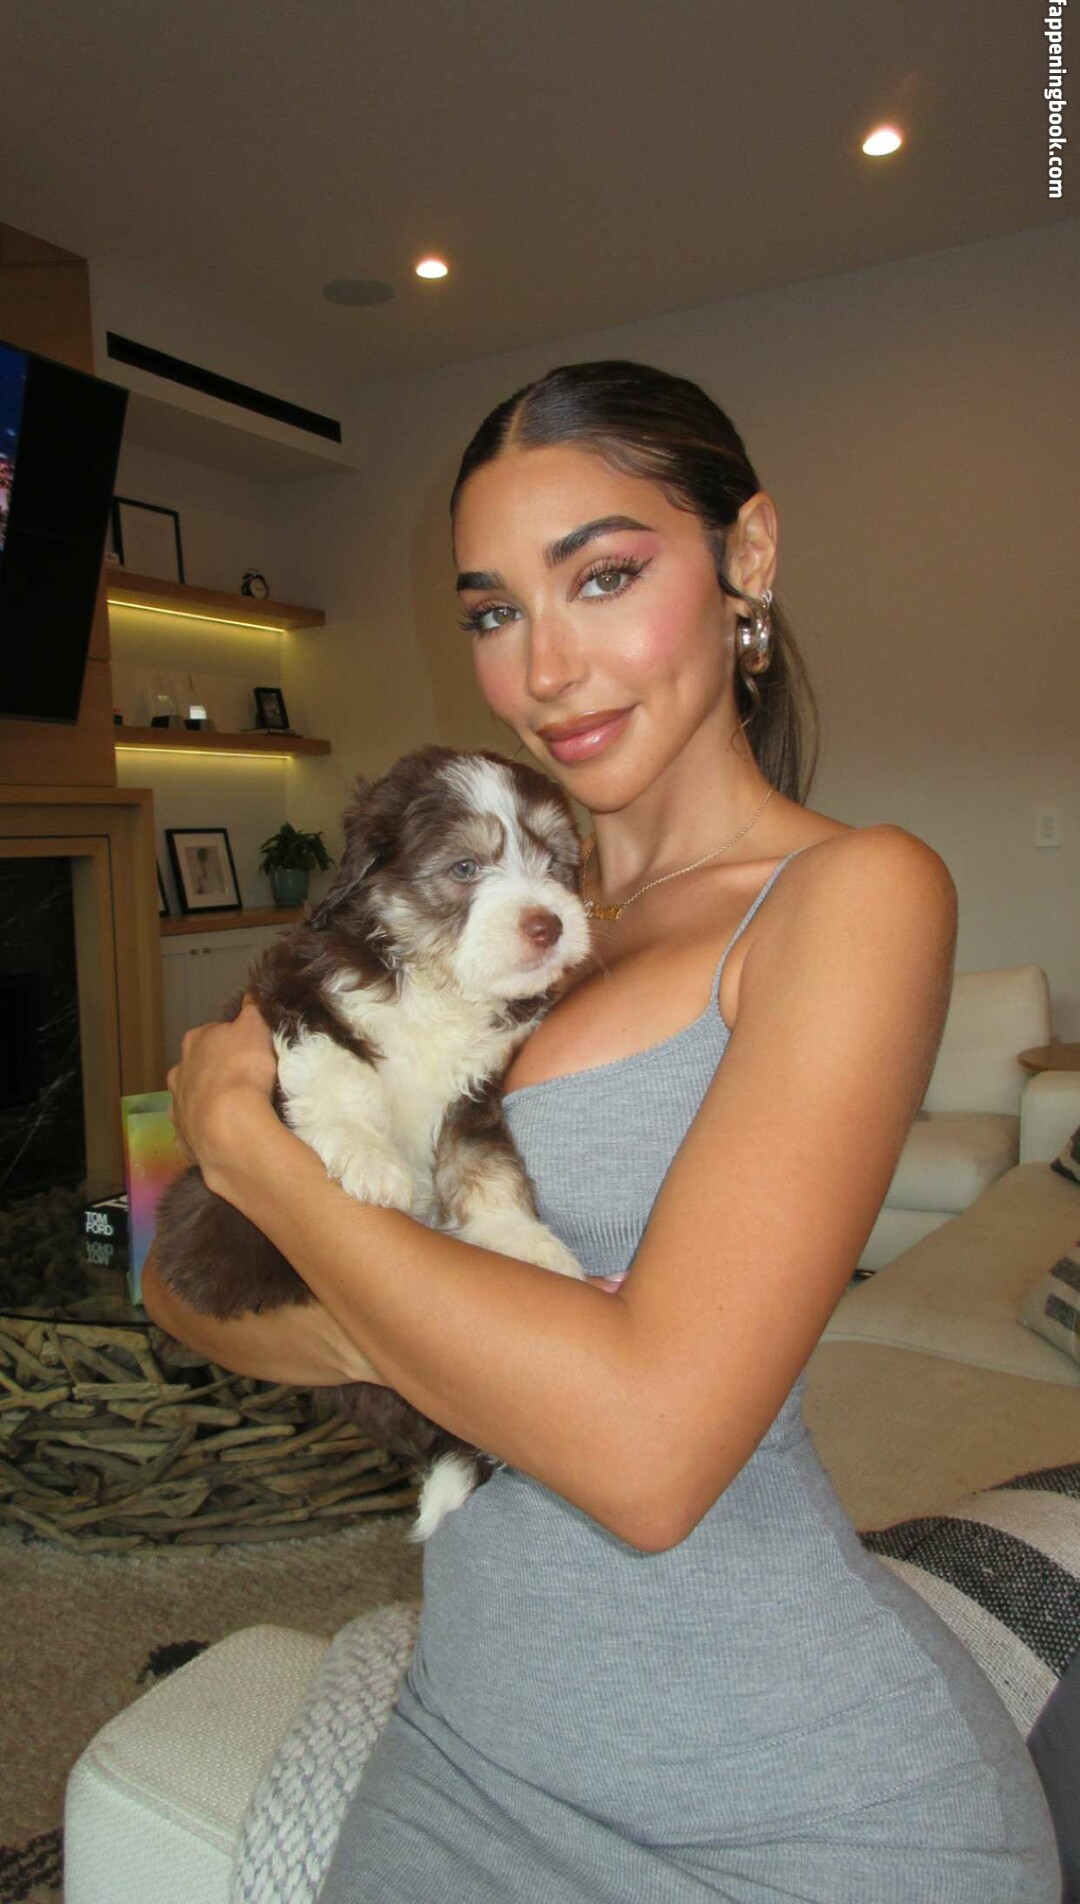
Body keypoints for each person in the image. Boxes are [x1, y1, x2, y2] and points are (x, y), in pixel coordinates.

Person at [143, 360, 1060, 1901]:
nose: (545, 669)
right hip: (465, 1746)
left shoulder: (850, 896)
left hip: (790, 1806)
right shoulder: (449, 907)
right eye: (495, 611)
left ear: (746, 555)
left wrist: (261, 1167)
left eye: (605, 577)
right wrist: (492, 1344)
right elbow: (169, 1274)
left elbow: (646, 1459)